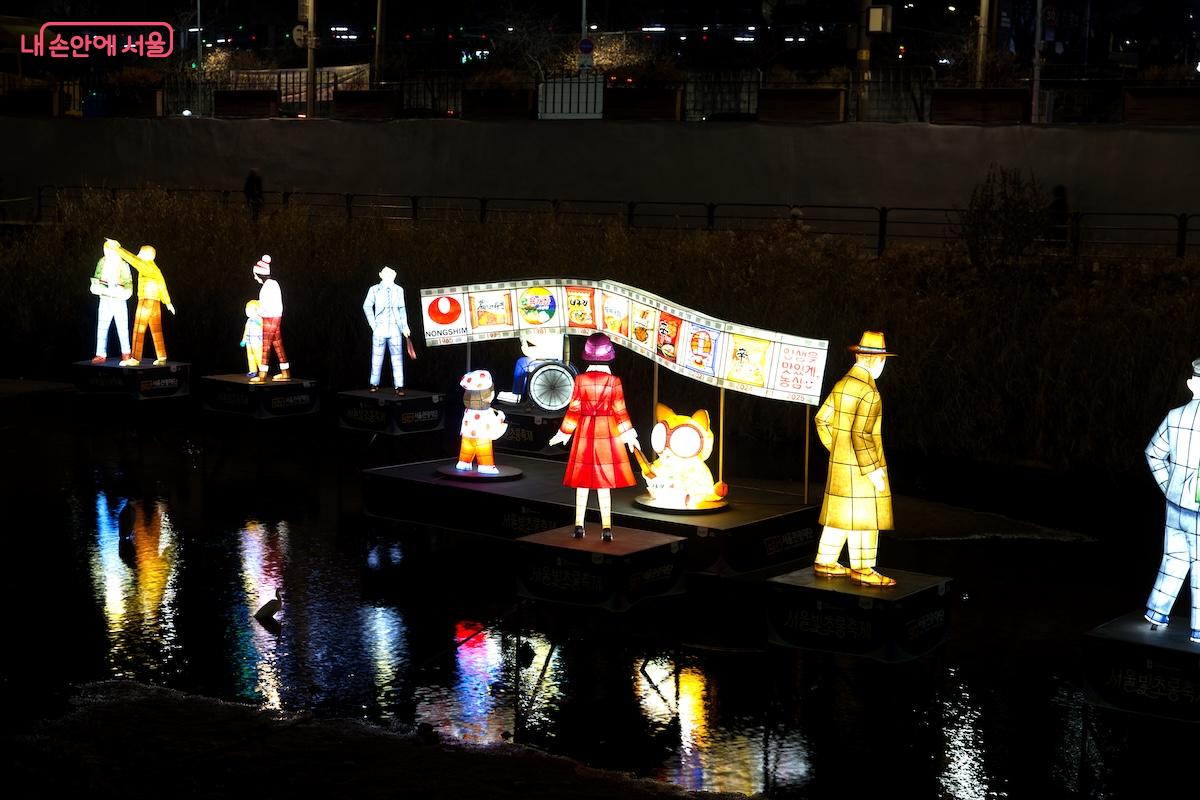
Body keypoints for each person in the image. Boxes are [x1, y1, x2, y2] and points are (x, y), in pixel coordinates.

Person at [812, 330, 897, 586]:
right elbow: (862, 435)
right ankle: (862, 569)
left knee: (840, 515)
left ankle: (825, 560)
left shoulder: (842, 385)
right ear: (876, 360)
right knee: (864, 517)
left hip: (841, 466)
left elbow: (821, 419)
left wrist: (838, 449)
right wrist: (872, 470)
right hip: (862, 468)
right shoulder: (870, 393)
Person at [548, 332, 641, 542]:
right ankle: (606, 528)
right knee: (603, 484)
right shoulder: (614, 381)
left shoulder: (580, 380)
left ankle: (579, 525)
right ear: (610, 356)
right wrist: (629, 435)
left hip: (585, 431)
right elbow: (620, 410)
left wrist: (563, 433)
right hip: (607, 432)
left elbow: (573, 409)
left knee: (582, 481)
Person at [1143, 358, 1200, 644]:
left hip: (1175, 504)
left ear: (1192, 384)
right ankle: (1198, 630)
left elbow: (1153, 453)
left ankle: (1155, 614)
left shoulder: (1175, 416)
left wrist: (1170, 487)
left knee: (1172, 561)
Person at [112, 241, 175, 366]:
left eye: (141, 252)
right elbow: (163, 286)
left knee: (139, 328)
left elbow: (131, 259)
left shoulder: (145, 264)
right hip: (156, 303)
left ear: (147, 255)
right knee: (157, 330)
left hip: (146, 300)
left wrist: (117, 248)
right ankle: (162, 356)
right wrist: (168, 303)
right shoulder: (156, 269)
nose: (138, 254)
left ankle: (135, 358)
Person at [362, 266, 416, 394]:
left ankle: (399, 386)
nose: (388, 276)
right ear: (380, 275)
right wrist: (373, 324)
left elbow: (402, 309)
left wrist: (405, 326)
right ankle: (374, 383)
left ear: (395, 275)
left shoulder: (398, 290)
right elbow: (367, 306)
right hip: (379, 327)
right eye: (385, 274)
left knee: (397, 357)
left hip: (395, 328)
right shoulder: (374, 289)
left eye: (391, 274)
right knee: (377, 357)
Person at [456, 370, 508, 475]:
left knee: (466, 449)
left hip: (467, 434)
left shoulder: (468, 411)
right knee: (484, 451)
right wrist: (501, 417)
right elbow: (495, 422)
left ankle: (464, 462)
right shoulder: (487, 412)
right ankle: (485, 466)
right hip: (482, 436)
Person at [90, 238, 132, 363]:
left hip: (118, 299)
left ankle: (126, 352)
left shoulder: (123, 265)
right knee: (102, 327)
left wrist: (125, 292)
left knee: (122, 327)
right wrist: (96, 286)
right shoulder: (102, 262)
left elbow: (128, 283)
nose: (107, 254)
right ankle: (100, 353)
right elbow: (97, 276)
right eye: (106, 251)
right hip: (104, 298)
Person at [251, 255, 289, 383]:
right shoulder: (273, 284)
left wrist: (258, 311)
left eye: (255, 275)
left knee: (266, 346)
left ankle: (262, 375)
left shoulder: (268, 286)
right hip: (275, 316)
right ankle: (285, 372)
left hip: (270, 317)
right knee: (278, 345)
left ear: (260, 274)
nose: (255, 278)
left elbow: (268, 305)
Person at [239, 299, 263, 377]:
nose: (247, 311)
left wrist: (259, 323)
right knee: (250, 356)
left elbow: (264, 327)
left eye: (249, 310)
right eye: (247, 309)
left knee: (258, 356)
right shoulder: (249, 320)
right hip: (249, 341)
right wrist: (244, 340)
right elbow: (246, 330)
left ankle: (262, 370)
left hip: (257, 341)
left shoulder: (260, 319)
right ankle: (252, 370)